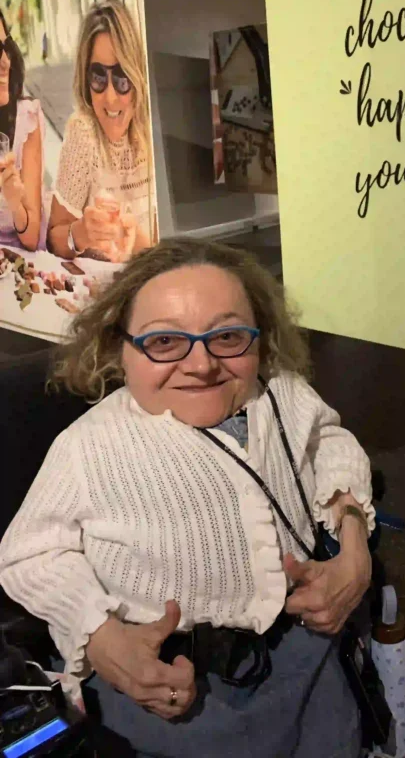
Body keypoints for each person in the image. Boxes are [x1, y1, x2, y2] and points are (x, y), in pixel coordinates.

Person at [0, 238, 373, 757]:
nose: (201, 365)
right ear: (120, 349)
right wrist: (99, 636)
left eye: (228, 336)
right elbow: (29, 553)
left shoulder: (283, 394)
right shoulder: (89, 447)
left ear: (260, 339)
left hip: (311, 670)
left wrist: (354, 543)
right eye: (164, 341)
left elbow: (329, 441)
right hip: (172, 692)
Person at [48, 0, 153, 263]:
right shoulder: (83, 133)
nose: (110, 97)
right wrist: (81, 233)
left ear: (137, 76)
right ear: (85, 80)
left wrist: (133, 239)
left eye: (121, 78)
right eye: (98, 77)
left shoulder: (154, 128)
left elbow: (164, 250)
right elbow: (54, 238)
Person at [0, 7, 44, 252]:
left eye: (5, 47)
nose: (5, 61)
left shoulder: (27, 119)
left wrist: (16, 205)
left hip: (17, 260)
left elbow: (31, 237)